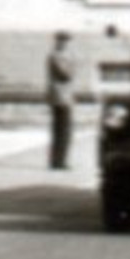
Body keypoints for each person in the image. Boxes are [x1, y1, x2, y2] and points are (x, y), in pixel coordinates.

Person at [46, 31, 76, 170]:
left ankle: (58, 160)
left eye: (66, 41)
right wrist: (72, 67)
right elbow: (66, 74)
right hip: (60, 96)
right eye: (62, 40)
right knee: (62, 129)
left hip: (64, 96)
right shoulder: (56, 56)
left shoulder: (65, 55)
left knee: (62, 129)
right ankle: (58, 161)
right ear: (57, 41)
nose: (64, 43)